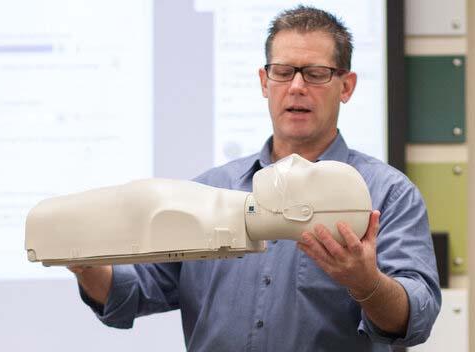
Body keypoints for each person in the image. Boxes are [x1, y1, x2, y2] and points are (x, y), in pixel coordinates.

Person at [69, 5, 441, 351]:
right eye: (283, 72)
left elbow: (417, 316)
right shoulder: (209, 191)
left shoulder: (389, 193)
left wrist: (367, 282)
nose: (296, 87)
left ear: (346, 86)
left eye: (315, 74)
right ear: (265, 82)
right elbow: (133, 293)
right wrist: (85, 263)